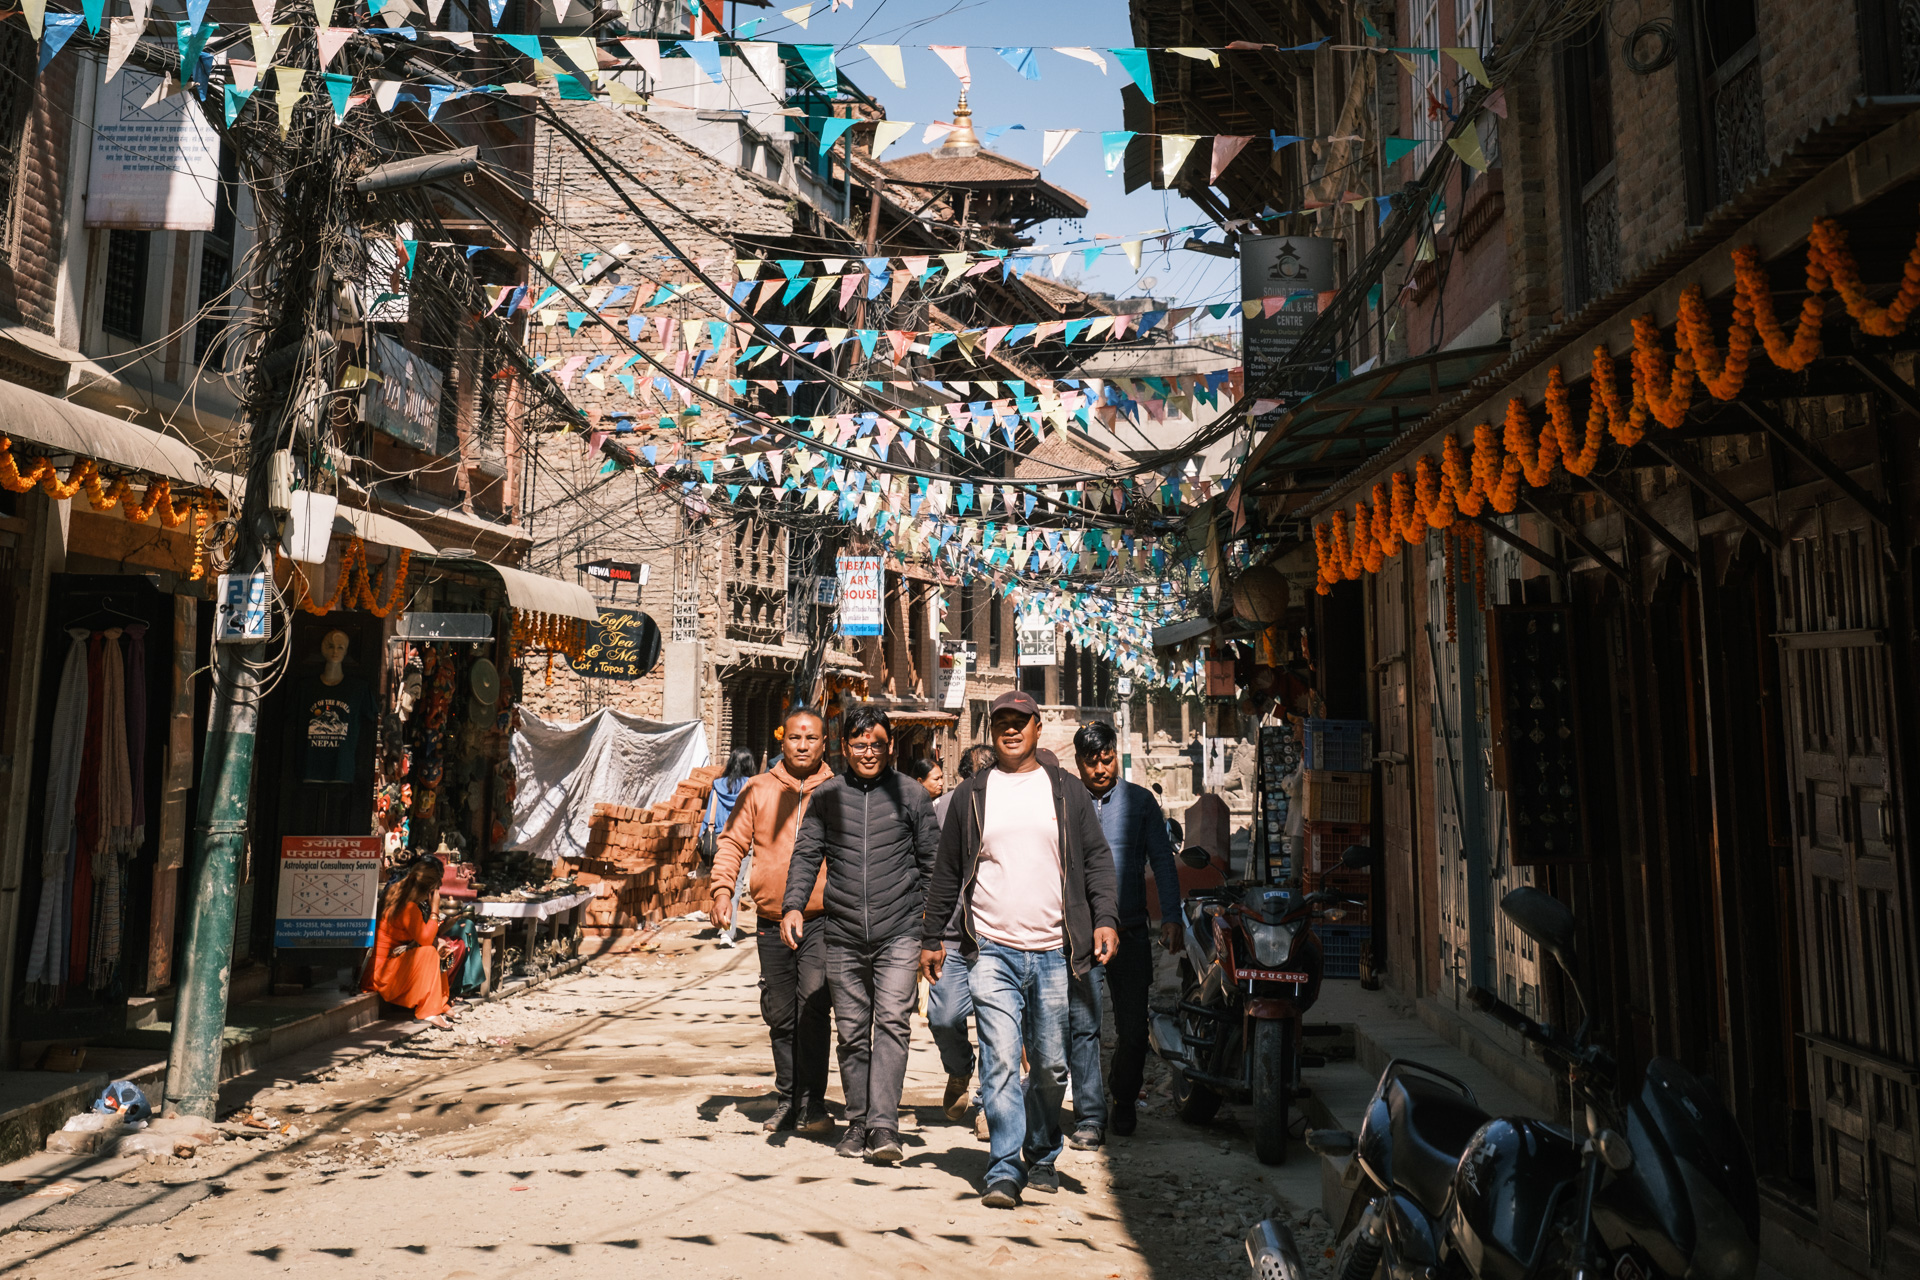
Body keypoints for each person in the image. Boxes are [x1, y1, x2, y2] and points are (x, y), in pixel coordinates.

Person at [920, 691, 1119, 1209]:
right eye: (1001, 722)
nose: (1010, 730)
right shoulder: (971, 794)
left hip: (1056, 951)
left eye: (1020, 722)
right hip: (992, 951)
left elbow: (1097, 861)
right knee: (1004, 1061)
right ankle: (1005, 1168)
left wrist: (1105, 920)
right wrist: (931, 937)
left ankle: (1043, 1151)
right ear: (992, 730)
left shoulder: (1065, 791)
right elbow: (946, 875)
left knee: (1052, 1066)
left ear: (1036, 728)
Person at [783, 706, 941, 1164]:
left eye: (876, 744)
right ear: (845, 747)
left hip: (900, 931)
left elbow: (931, 864)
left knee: (892, 1022)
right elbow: (807, 853)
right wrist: (794, 905)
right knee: (852, 1032)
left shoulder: (912, 796)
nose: (868, 753)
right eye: (858, 744)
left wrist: (932, 930)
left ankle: (884, 1126)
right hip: (843, 932)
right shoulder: (828, 796)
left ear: (889, 746)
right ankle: (857, 1122)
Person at [710, 709, 835, 1135]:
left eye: (812, 738)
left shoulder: (838, 790)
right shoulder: (758, 790)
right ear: (783, 741)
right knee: (780, 1014)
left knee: (814, 1009)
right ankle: (787, 1097)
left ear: (824, 743)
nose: (803, 745)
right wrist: (723, 890)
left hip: (823, 920)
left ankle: (813, 1103)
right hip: (770, 918)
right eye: (796, 737)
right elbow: (731, 843)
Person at [1068, 720, 1182, 1140]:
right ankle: (1091, 1117)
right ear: (1078, 763)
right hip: (1080, 934)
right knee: (1085, 1027)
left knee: (1134, 1031)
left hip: (1132, 932)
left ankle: (1123, 1096)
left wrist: (1171, 917)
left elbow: (1163, 863)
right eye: (1091, 762)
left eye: (1107, 759)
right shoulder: (1067, 802)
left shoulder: (1140, 802)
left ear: (1116, 754)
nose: (1100, 769)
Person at [926, 743, 998, 1130]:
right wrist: (929, 931)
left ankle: (989, 1103)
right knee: (942, 1016)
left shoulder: (1008, 805)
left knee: (995, 1020)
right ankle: (959, 1068)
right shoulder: (944, 809)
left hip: (995, 936)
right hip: (953, 936)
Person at [368, 856, 456, 1029]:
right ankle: (429, 1011)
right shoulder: (408, 907)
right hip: (383, 974)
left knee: (436, 948)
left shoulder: (396, 893)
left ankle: (440, 1004)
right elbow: (425, 939)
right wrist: (435, 910)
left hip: (383, 967)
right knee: (430, 951)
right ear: (429, 890)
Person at [700, 748, 757, 863]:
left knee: (722, 876)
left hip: (719, 837)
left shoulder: (718, 785)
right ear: (749, 765)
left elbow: (710, 813)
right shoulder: (752, 786)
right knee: (738, 879)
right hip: (743, 836)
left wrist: (702, 835)